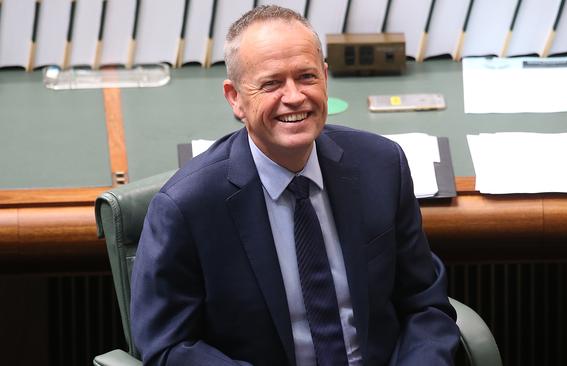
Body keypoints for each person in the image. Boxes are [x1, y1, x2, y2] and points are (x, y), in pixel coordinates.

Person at [131, 5, 459, 366]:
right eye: (271, 83)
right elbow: (167, 348)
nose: (294, 97)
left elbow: (425, 306)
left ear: (325, 78)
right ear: (235, 97)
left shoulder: (382, 167)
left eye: (306, 77)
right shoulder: (185, 208)